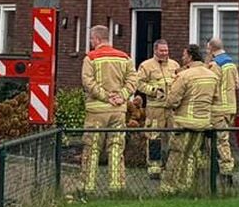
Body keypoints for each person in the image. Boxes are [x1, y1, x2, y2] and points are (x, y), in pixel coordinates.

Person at [79, 23, 133, 194]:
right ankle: (117, 187)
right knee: (117, 147)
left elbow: (87, 82)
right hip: (118, 111)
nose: (90, 42)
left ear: (96, 39)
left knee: (92, 148)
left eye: (91, 39)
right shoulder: (125, 58)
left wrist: (105, 96)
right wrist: (122, 95)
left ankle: (87, 187)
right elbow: (133, 80)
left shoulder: (91, 58)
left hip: (96, 112)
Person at [161, 44, 218, 193]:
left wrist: (167, 102)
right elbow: (215, 98)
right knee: (191, 155)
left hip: (184, 123)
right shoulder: (212, 75)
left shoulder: (184, 75)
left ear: (190, 57)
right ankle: (187, 186)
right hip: (203, 122)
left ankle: (169, 187)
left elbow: (172, 100)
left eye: (184, 55)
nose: (182, 57)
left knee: (176, 154)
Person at [131, 39, 181, 179]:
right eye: (162, 50)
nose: (165, 53)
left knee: (174, 137)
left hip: (172, 109)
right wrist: (153, 91)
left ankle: (172, 167)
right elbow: (139, 83)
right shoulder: (146, 66)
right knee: (154, 137)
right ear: (155, 51)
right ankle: (154, 168)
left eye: (166, 50)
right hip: (155, 109)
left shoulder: (174, 65)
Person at [208, 37, 239, 178]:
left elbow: (211, 85)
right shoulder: (231, 64)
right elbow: (237, 85)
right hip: (231, 107)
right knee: (224, 138)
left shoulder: (215, 65)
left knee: (220, 141)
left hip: (218, 108)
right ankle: (224, 168)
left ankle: (225, 170)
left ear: (211, 49)